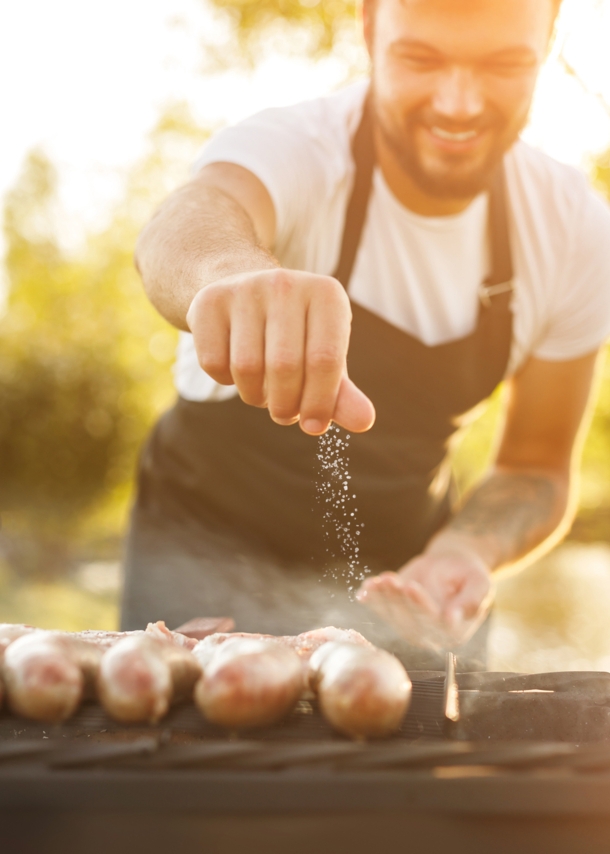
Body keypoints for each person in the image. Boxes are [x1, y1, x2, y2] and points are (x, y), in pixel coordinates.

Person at [122, 0, 610, 669]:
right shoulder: (299, 147)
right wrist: (232, 272)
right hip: (203, 555)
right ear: (370, 30)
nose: (459, 103)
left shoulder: (573, 230)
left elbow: (537, 468)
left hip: (408, 580)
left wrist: (467, 551)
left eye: (503, 64)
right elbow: (185, 225)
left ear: (548, 43)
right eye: (421, 58)